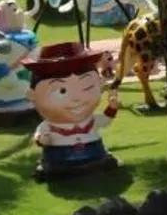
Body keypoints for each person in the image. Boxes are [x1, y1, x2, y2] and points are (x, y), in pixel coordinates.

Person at [29, 42, 120, 179]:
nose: (77, 99)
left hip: (95, 154)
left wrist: (112, 107)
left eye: (87, 87)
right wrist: (43, 139)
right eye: (61, 91)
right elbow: (40, 137)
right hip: (58, 159)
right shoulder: (49, 126)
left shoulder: (90, 120)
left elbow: (105, 120)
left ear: (100, 84)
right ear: (33, 96)